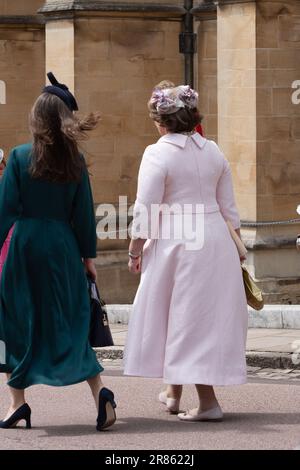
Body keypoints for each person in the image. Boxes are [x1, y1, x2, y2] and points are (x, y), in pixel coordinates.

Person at [124, 84, 248, 422]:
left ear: (161, 122)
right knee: (188, 313)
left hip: (177, 240)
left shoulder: (157, 153)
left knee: (185, 317)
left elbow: (146, 209)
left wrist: (135, 249)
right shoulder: (213, 151)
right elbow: (229, 208)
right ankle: (173, 392)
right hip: (215, 239)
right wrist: (237, 246)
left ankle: (208, 403)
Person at [0, 74, 116, 431]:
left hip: (26, 245)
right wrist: (88, 259)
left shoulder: (19, 157)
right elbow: (84, 214)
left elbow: (5, 209)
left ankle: (17, 403)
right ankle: (100, 392)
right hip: (64, 247)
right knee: (69, 321)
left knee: (20, 319)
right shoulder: (76, 161)